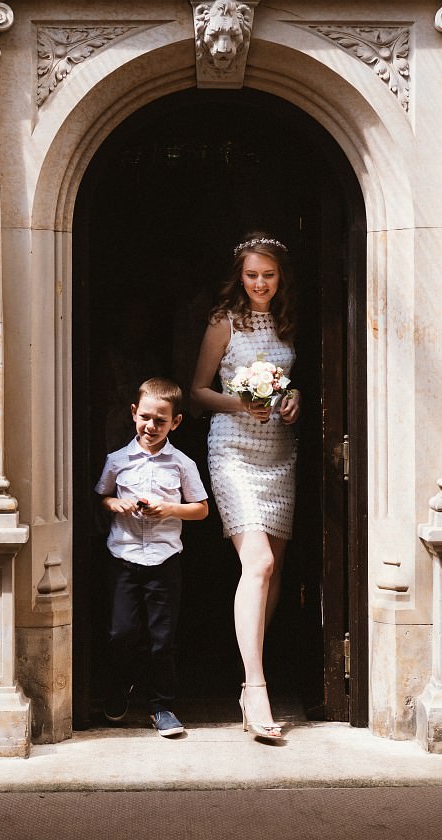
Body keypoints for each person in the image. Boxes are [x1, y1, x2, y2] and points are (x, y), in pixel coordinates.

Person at [190, 234, 301, 741]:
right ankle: (255, 687)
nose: (260, 283)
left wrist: (293, 394)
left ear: (280, 278)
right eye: (252, 275)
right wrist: (241, 404)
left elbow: (287, 378)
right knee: (257, 563)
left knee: (273, 571)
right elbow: (197, 391)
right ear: (241, 275)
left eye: (269, 275)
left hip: (278, 451)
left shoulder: (284, 320)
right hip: (233, 449)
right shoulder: (223, 321)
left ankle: (249, 670)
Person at [95, 377, 210, 738]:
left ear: (175, 422)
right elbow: (103, 496)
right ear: (134, 414)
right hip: (124, 556)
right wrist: (116, 503)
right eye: (145, 417)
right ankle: (120, 687)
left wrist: (169, 509)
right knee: (121, 632)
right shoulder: (117, 460)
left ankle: (162, 705)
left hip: (164, 560)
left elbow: (202, 509)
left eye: (161, 420)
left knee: (162, 638)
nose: (151, 426)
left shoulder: (182, 463)